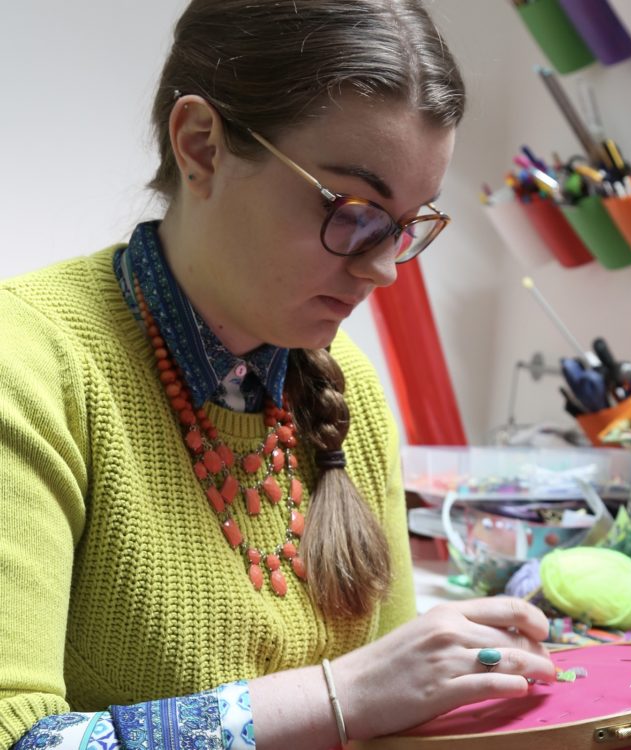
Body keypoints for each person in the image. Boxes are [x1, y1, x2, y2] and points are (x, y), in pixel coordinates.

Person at [0, 1, 555, 748]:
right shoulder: (30, 364)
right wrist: (345, 694)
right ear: (201, 146)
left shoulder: (347, 382)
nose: (384, 269)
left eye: (408, 224)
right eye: (353, 210)